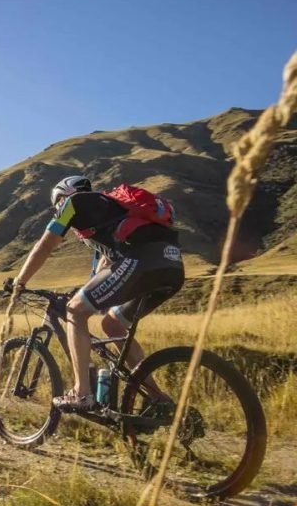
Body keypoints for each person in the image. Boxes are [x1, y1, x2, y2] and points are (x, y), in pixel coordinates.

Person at [11, 175, 184, 412]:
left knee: (74, 310)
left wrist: (20, 281)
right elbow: (106, 267)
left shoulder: (73, 203)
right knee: (113, 326)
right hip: (172, 265)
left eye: (57, 204)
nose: (58, 209)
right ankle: (157, 398)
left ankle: (82, 393)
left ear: (62, 195)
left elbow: (45, 245)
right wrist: (86, 292)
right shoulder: (110, 211)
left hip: (141, 260)